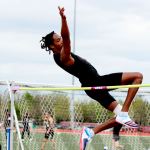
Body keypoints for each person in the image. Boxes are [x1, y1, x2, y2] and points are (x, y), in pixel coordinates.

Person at [40, 6, 143, 150]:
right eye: (58, 40)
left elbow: (65, 38)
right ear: (52, 46)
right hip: (95, 83)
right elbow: (68, 37)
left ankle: (91, 132)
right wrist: (64, 19)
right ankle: (124, 113)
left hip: (94, 85)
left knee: (120, 117)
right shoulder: (63, 56)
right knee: (138, 77)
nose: (61, 41)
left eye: (60, 39)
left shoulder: (60, 55)